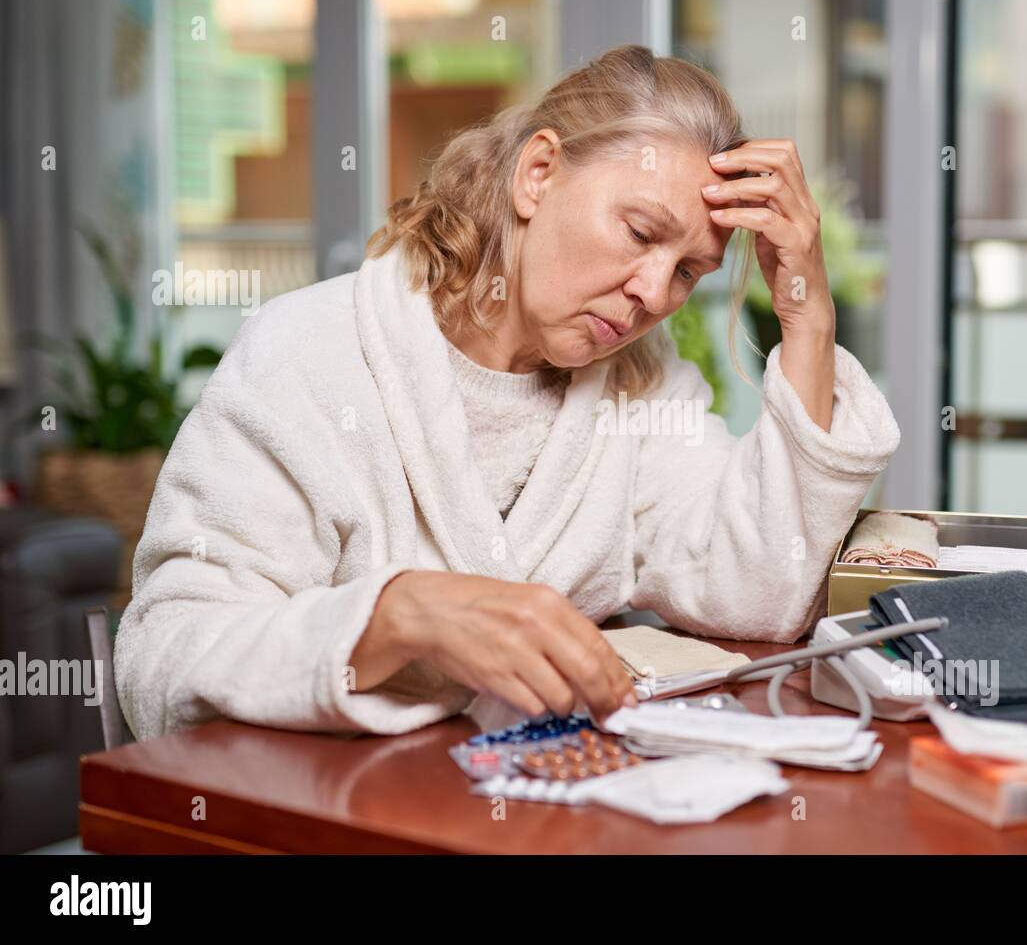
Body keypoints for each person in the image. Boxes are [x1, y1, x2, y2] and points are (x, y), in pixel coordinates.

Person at [115, 45, 900, 740]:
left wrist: (808, 314)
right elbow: (165, 657)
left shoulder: (639, 385)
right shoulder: (306, 356)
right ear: (537, 173)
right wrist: (398, 617)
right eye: (639, 232)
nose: (655, 293)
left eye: (691, 270)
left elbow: (760, 587)